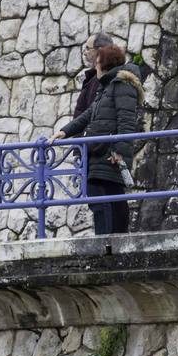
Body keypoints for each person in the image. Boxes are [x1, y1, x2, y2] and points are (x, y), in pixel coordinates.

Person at [52, 43, 145, 235]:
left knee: (107, 196)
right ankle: (110, 240)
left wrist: (119, 152)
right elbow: (89, 114)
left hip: (110, 153)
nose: (95, 67)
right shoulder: (107, 86)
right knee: (107, 196)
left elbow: (126, 123)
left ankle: (110, 241)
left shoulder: (121, 85)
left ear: (105, 64)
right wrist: (64, 131)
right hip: (100, 151)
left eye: (97, 63)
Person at [72, 32, 115, 120]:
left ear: (99, 51)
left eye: (88, 48)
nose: (84, 53)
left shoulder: (102, 78)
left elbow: (91, 114)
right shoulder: (93, 77)